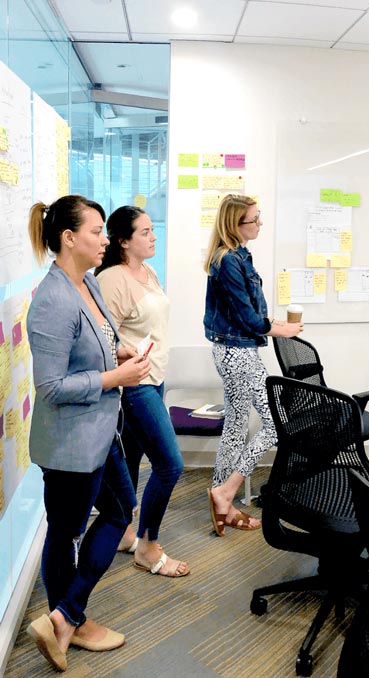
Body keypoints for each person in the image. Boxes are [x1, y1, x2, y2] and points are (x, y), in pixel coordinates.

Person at [25, 195, 151, 671]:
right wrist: (115, 378)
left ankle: (63, 617)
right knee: (65, 533)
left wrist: (119, 355)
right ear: (68, 238)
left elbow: (95, 344)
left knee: (119, 510)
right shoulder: (53, 300)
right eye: (96, 232)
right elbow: (51, 387)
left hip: (101, 433)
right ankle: (67, 621)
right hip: (70, 443)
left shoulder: (89, 284)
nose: (104, 240)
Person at [95, 206, 188, 578]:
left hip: (154, 375)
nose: (153, 237)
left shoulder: (148, 271)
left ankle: (124, 532)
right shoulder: (112, 279)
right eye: (145, 232)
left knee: (133, 456)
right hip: (135, 384)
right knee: (169, 465)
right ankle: (147, 547)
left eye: (153, 230)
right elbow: (104, 340)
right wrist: (124, 363)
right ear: (123, 240)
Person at [202, 195, 302, 536]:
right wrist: (280, 329)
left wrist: (273, 324)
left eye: (259, 217)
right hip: (236, 352)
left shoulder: (240, 255)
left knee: (243, 425)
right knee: (264, 425)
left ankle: (222, 498)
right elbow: (247, 317)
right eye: (254, 219)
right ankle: (225, 494)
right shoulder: (228, 260)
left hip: (240, 351)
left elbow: (250, 313)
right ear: (235, 224)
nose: (260, 224)